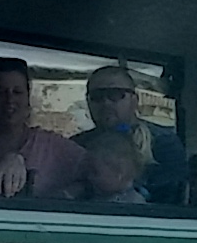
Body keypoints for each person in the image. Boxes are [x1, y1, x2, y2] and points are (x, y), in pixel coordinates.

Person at [73, 66, 187, 205]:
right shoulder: (76, 145)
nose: (106, 102)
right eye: (97, 96)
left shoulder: (164, 142)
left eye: (115, 94)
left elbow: (168, 199)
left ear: (134, 100)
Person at [0, 57, 86, 199]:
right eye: (0, 92)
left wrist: (67, 194)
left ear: (28, 98)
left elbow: (102, 174)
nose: (10, 100)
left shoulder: (52, 146)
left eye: (17, 92)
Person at [74, 130, 146, 204]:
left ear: (119, 173)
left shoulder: (132, 204)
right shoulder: (88, 195)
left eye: (95, 172)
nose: (89, 177)